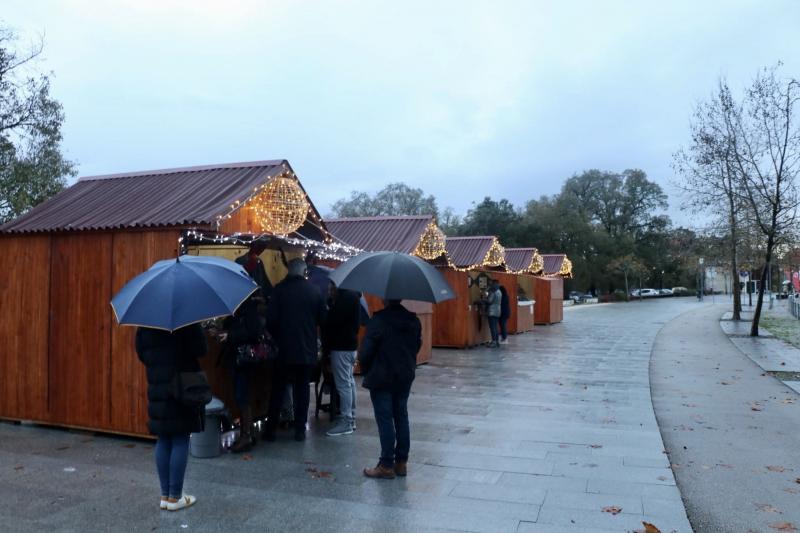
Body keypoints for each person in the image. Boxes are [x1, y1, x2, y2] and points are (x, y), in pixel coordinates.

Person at [136, 324, 207, 512]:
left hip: (157, 385)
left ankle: (165, 495)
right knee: (180, 437)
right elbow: (201, 349)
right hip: (181, 386)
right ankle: (176, 497)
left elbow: (141, 353)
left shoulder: (146, 321)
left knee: (164, 436)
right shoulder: (186, 320)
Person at [264, 257, 326, 442]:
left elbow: (271, 320)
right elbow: (322, 319)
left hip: (283, 350)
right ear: (304, 271)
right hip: (306, 349)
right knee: (302, 389)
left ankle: (271, 430)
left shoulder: (279, 291)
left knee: (278, 389)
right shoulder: (314, 292)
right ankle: (300, 429)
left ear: (288, 271)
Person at [359, 299, 422, 479]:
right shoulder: (413, 321)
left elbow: (366, 352)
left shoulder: (378, 321)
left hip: (382, 376)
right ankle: (401, 463)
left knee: (385, 417)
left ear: (384, 298)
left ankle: (386, 464)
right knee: (401, 415)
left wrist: (366, 368)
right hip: (405, 375)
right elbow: (417, 345)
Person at [220, 295, 265, 453]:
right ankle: (246, 434)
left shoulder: (248, 309)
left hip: (243, 359)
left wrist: (230, 335)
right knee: (240, 395)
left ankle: (246, 435)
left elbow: (254, 332)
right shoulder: (240, 309)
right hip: (238, 359)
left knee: (241, 395)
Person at [322, 283, 362, 436]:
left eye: (331, 286)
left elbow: (332, 322)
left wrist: (330, 307)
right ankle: (351, 417)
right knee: (349, 382)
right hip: (350, 346)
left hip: (341, 347)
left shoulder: (345, 299)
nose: (330, 289)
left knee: (344, 385)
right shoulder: (354, 296)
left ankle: (346, 421)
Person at [485, 279, 502, 348]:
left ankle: (494, 342)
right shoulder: (499, 291)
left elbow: (489, 301)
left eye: (491, 283)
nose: (490, 284)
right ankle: (497, 341)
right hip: (498, 311)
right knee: (495, 327)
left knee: (492, 327)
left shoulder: (492, 291)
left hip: (491, 311)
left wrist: (483, 299)